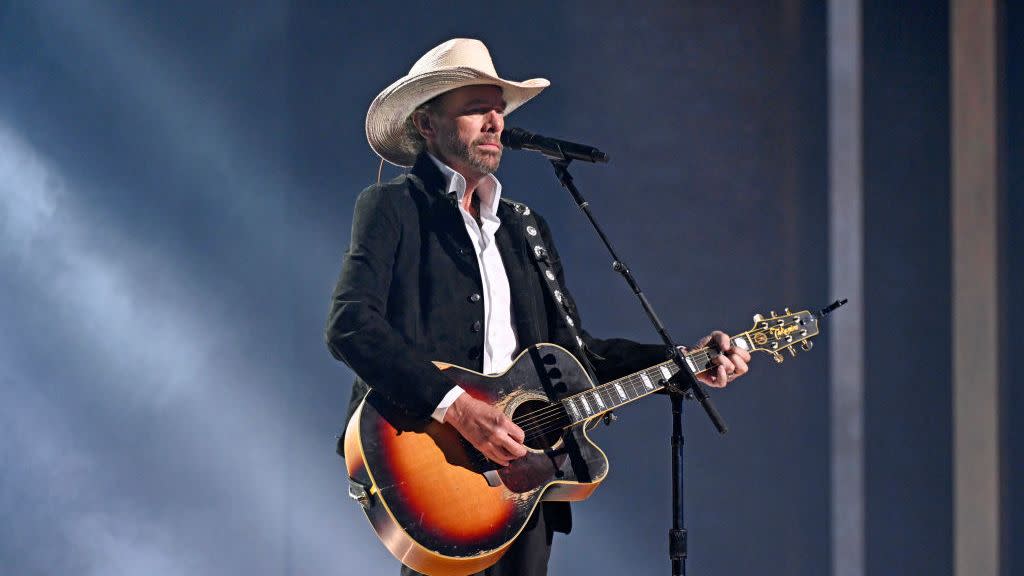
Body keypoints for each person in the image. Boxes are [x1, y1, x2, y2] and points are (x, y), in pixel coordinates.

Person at [325, 38, 751, 576]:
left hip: (525, 481)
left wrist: (686, 361)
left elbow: (577, 356)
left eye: (499, 108)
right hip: (436, 470)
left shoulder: (524, 228)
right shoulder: (393, 207)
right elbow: (349, 325)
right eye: (477, 108)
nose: (495, 122)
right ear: (427, 124)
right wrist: (457, 407)